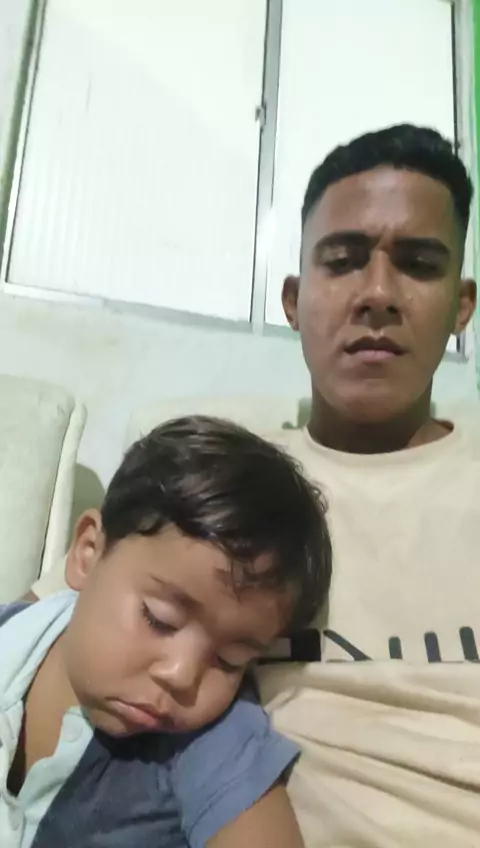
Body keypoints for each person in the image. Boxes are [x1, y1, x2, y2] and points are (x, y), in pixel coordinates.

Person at [32, 125, 480, 845]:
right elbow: (49, 627)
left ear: (462, 305)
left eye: (419, 264)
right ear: (293, 300)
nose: (377, 294)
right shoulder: (222, 489)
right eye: (343, 261)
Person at [1, 415, 332, 847]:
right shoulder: (14, 631)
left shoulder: (212, 740)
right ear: (88, 552)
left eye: (228, 660)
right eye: (159, 619)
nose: (181, 675)